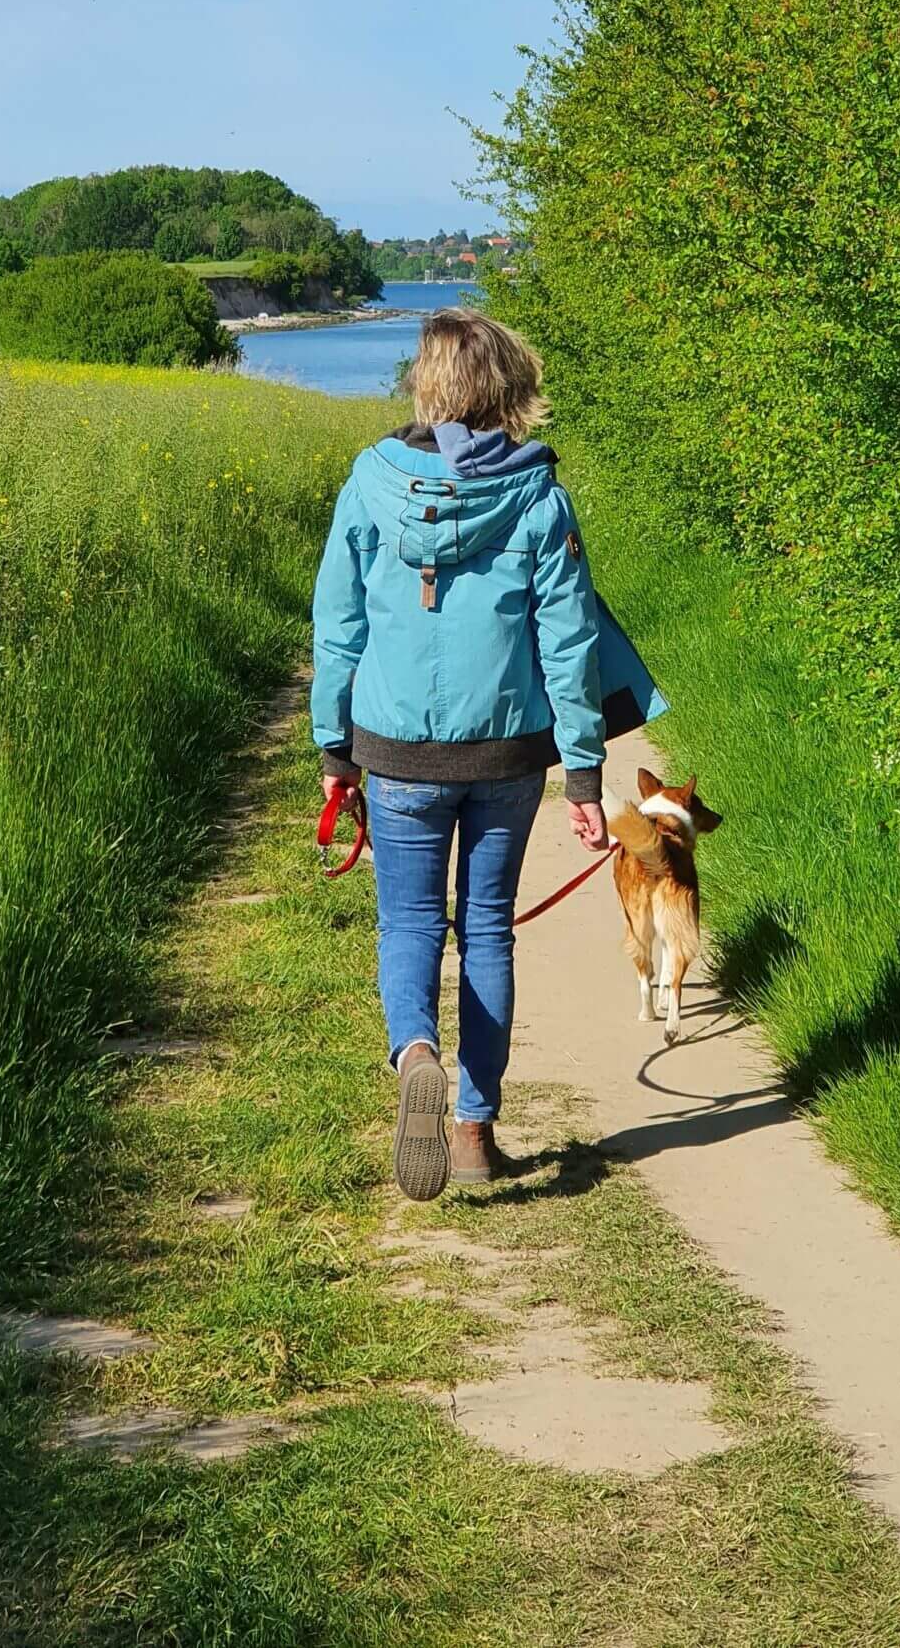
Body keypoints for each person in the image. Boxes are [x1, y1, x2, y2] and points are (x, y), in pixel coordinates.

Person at [312, 307, 655, 1198]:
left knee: (411, 925)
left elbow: (338, 623)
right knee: (488, 932)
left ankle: (414, 1052)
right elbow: (568, 646)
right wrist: (582, 772)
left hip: (394, 751)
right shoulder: (538, 495)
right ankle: (471, 1131)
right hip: (505, 755)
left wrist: (332, 746)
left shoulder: (369, 482)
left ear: (426, 383)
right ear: (510, 388)